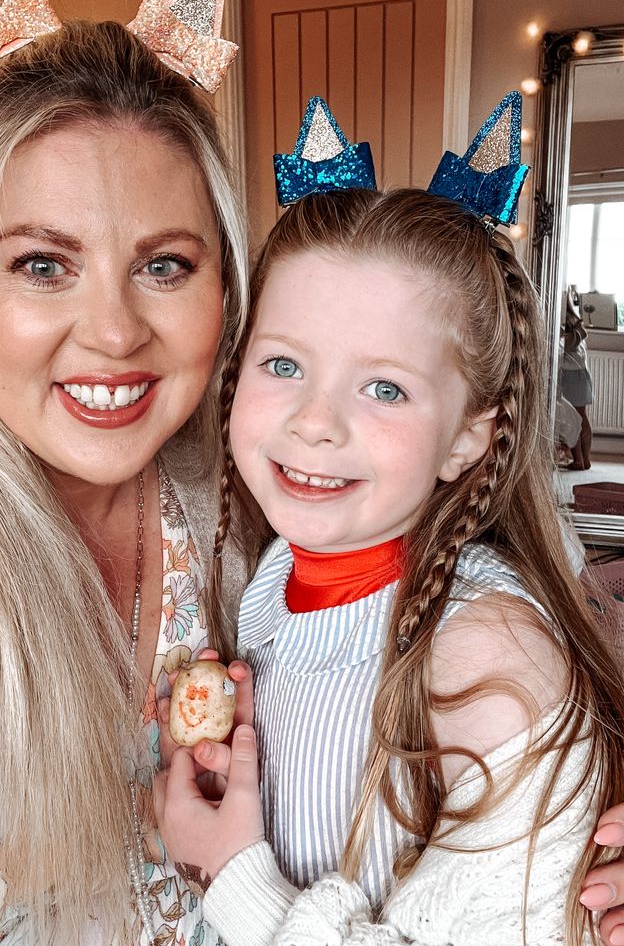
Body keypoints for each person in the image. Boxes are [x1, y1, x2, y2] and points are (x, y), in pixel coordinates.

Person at [0, 16, 262, 946]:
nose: (114, 333)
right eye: (44, 265)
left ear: (223, 293)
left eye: (164, 266)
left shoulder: (261, 496)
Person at [155, 184, 624, 945]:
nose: (314, 422)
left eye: (384, 388)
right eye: (283, 365)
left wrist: (234, 877)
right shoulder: (272, 576)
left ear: (470, 436)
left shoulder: (483, 652)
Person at [560, 287, 594, 470]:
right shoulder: (574, 320)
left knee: (574, 418)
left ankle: (581, 460)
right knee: (580, 418)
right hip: (578, 372)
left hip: (572, 373)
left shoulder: (568, 321)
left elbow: (569, 345)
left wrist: (562, 337)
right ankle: (583, 459)